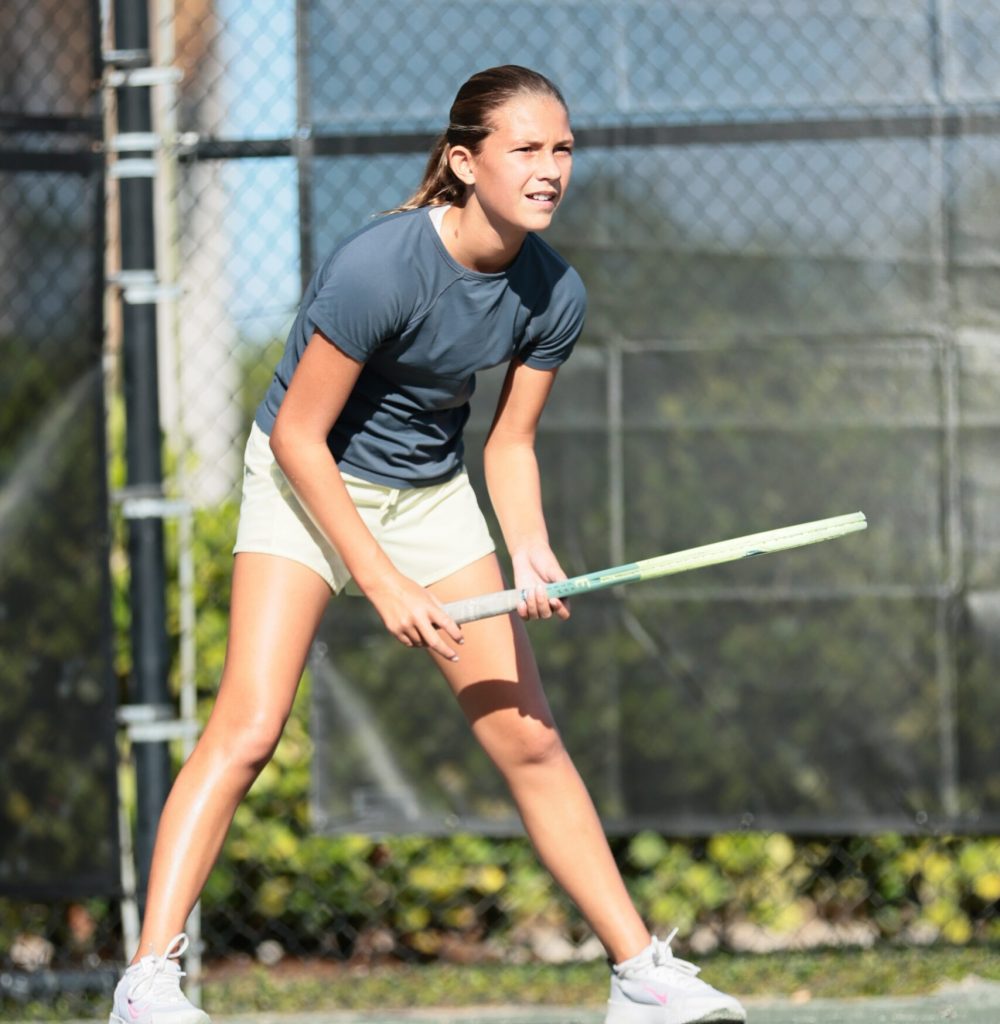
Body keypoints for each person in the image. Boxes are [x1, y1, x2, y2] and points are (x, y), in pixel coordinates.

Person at [109, 65, 747, 1024]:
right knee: (248, 727)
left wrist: (528, 549)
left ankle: (639, 974)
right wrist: (379, 577)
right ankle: (148, 983)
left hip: (432, 495)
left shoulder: (553, 292)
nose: (549, 170)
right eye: (525, 149)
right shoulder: (382, 265)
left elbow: (511, 442)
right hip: (304, 483)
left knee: (529, 738)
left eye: (562, 148)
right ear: (465, 160)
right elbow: (297, 437)